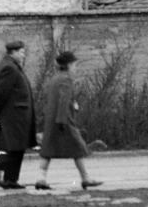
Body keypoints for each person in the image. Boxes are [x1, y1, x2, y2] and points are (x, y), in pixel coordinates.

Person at [35, 49, 100, 192]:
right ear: (68, 65)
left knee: (48, 150)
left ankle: (41, 179)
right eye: (75, 65)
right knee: (78, 148)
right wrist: (63, 120)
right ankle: (86, 179)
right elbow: (63, 101)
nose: (75, 68)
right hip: (63, 120)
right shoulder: (66, 80)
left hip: (51, 120)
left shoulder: (54, 79)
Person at [0, 38, 36, 190]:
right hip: (14, 115)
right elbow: (2, 93)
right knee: (15, 148)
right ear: (14, 52)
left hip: (17, 115)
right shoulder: (9, 67)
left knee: (18, 148)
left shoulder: (12, 65)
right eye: (22, 52)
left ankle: (10, 179)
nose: (24, 55)